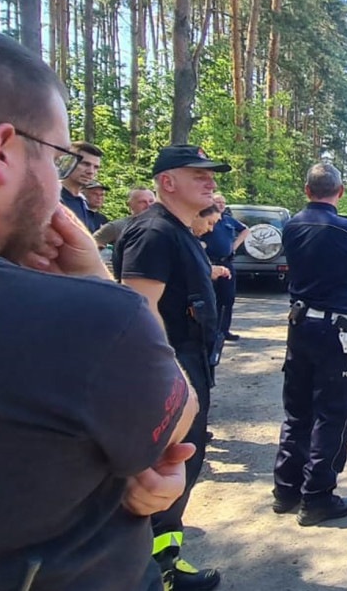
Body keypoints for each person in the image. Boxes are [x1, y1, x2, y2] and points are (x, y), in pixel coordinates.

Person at [0, 18, 196, 591]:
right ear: (3, 150)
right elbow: (175, 418)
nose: (64, 183)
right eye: (58, 158)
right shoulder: (95, 318)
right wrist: (98, 283)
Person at [115, 144, 231, 591]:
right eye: (198, 174)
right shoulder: (154, 233)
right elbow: (139, 313)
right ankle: (142, 575)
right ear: (167, 182)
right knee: (158, 476)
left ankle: (164, 564)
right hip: (170, 371)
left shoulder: (181, 230)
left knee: (181, 472)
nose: (210, 181)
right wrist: (173, 380)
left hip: (189, 365)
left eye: (211, 173)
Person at [273, 163, 347, 526]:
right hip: (335, 329)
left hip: (299, 324)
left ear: (306, 190)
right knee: (334, 412)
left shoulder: (291, 225)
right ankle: (317, 496)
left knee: (297, 410)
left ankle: (286, 489)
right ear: (341, 191)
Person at [200, 192, 249, 342]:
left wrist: (234, 246)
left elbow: (245, 230)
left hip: (226, 262)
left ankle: (224, 330)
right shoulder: (204, 219)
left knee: (227, 299)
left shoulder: (228, 220)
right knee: (209, 298)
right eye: (218, 202)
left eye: (223, 202)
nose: (221, 205)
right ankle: (209, 331)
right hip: (209, 263)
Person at [59, 140, 102, 230]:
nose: (91, 171)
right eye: (85, 164)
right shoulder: (51, 196)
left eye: (96, 167)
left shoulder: (83, 202)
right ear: (69, 162)